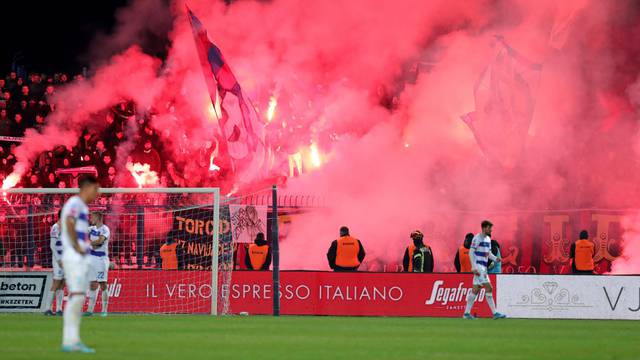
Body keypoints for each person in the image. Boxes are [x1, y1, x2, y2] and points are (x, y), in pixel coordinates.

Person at [60, 175, 99, 353]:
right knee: (76, 296)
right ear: (87, 187)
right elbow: (67, 222)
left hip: (80, 256)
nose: (97, 193)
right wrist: (76, 246)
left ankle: (73, 340)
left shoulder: (82, 206)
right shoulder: (75, 203)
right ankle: (70, 341)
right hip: (74, 256)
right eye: (96, 189)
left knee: (79, 297)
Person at [463, 220, 506, 320]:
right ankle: (495, 313)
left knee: (475, 290)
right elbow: (471, 252)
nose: (491, 230)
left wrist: (496, 258)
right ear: (484, 228)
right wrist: (473, 267)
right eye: (489, 228)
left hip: (483, 268)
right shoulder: (477, 238)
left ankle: (466, 314)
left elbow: (488, 254)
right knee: (489, 288)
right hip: (479, 268)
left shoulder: (487, 239)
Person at [85, 211, 111, 317]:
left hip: (101, 259)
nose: (91, 219)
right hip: (92, 258)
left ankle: (104, 310)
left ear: (98, 217)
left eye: (93, 217)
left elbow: (100, 241)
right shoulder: (91, 229)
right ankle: (90, 310)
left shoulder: (105, 229)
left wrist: (89, 243)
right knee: (92, 284)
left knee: (102, 284)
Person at [44, 209, 65, 316]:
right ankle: (47, 308)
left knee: (62, 284)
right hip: (58, 260)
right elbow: (53, 246)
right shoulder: (55, 227)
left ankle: (59, 309)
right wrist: (59, 260)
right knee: (56, 282)